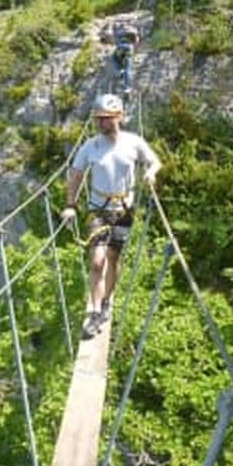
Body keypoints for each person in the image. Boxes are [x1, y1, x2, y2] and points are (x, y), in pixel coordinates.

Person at [61, 93, 161, 338]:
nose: (101, 123)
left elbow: (155, 161)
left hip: (124, 210)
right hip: (97, 209)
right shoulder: (90, 146)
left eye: (106, 118)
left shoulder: (134, 142)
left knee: (113, 259)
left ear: (119, 117)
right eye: (98, 118)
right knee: (97, 261)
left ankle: (106, 301)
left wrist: (151, 173)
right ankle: (95, 313)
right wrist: (70, 205)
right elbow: (76, 175)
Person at [111, 24, 139, 98]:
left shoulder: (119, 32)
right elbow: (136, 41)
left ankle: (119, 70)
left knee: (115, 58)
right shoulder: (133, 31)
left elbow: (114, 40)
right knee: (128, 68)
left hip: (120, 48)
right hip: (129, 48)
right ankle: (127, 88)